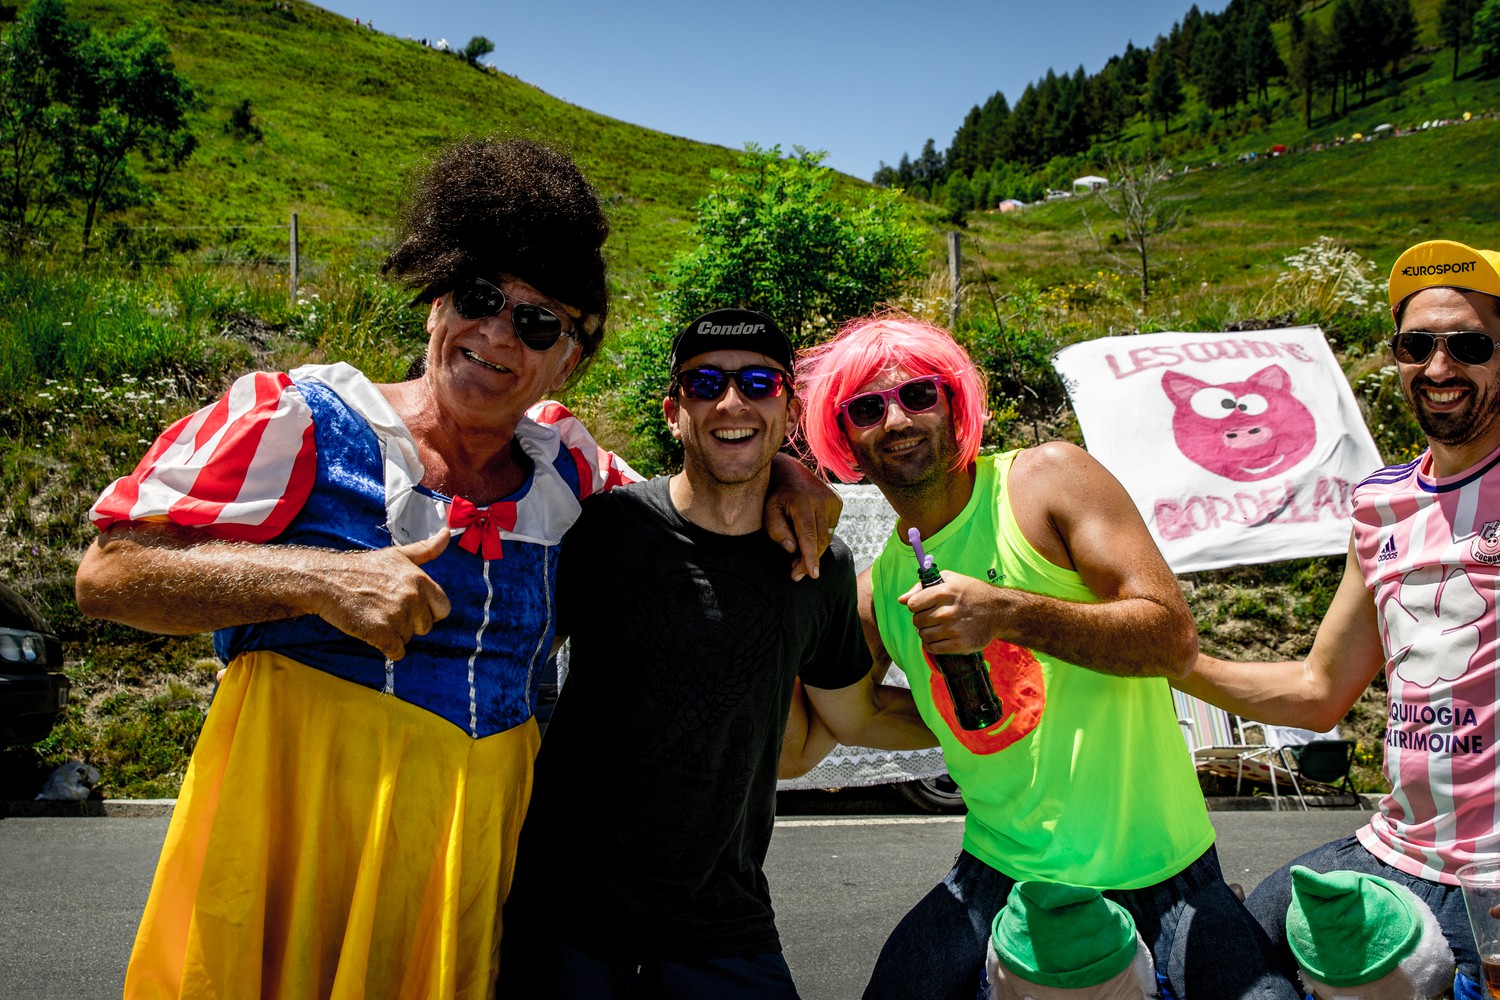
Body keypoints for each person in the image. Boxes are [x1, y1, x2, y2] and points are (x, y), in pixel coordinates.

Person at [75, 139, 834, 1000]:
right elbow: (109, 571)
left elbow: (698, 490)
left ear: (568, 359)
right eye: (480, 299)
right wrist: (318, 581)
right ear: (437, 301)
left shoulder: (569, 475)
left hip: (478, 848)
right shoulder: (301, 422)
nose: (498, 335)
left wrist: (784, 468)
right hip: (299, 820)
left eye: (538, 323)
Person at [796, 314, 1300, 1000]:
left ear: (954, 401)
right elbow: (839, 727)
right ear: (844, 435)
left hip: (1168, 878)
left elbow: (1171, 636)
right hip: (998, 876)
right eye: (865, 407)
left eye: (919, 394)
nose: (896, 419)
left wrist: (1007, 612)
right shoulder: (878, 590)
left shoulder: (1046, 481)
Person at [500, 308, 936, 999]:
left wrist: (987, 733)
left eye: (759, 382)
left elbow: (855, 718)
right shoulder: (602, 532)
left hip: (722, 928)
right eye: (706, 384)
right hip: (567, 924)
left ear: (788, 410)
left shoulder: (817, 564)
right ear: (675, 412)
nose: (733, 401)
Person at [1174, 238, 1500, 1000]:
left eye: (1470, 345)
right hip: (1394, 848)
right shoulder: (1379, 502)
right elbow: (1320, 689)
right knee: (1236, 948)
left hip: (1492, 876)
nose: (1440, 367)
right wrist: (1170, 661)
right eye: (1417, 345)